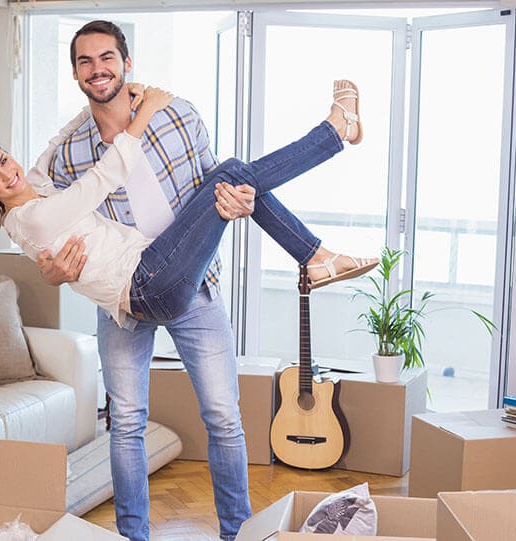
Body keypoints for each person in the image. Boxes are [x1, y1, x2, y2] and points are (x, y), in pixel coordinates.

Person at [33, 20, 371, 541]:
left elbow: (217, 184)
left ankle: (236, 532)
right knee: (125, 422)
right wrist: (51, 269)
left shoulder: (176, 114)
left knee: (223, 416)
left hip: (192, 284)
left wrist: (238, 202)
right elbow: (49, 228)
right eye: (85, 61)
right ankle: (132, 536)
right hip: (123, 295)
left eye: (106, 58)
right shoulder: (69, 154)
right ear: (75, 72)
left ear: (126, 63)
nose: (97, 69)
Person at [0, 84, 374, 325]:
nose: (7, 174)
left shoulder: (33, 185)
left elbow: (55, 141)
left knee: (231, 175)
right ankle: (335, 131)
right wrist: (149, 108)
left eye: (3, 160)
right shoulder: (33, 220)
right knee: (230, 175)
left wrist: (106, 98)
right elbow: (106, 176)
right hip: (148, 283)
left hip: (150, 271)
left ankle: (314, 255)